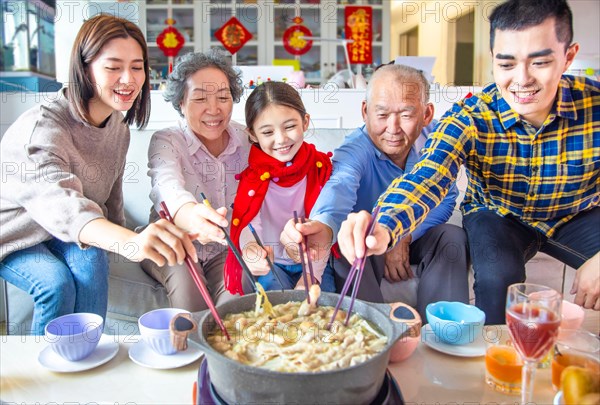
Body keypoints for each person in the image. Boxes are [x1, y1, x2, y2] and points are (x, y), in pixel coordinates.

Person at [337, 0, 599, 325]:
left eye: (540, 62)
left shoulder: (594, 105)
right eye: (506, 65)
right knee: (497, 278)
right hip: (498, 215)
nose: (522, 80)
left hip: (578, 215)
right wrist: (386, 224)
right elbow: (428, 176)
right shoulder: (471, 115)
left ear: (568, 57)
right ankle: (494, 365)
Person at [0, 14, 197, 335]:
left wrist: (124, 236)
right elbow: (66, 210)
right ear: (85, 68)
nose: (128, 79)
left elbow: (110, 196)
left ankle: (88, 353)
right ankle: (43, 375)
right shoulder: (43, 129)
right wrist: (132, 242)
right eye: (113, 67)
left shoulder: (117, 126)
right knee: (56, 283)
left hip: (71, 235)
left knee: (93, 263)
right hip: (18, 236)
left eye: (137, 67)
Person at [281, 64, 469, 319]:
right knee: (350, 243)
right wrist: (322, 226)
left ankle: (445, 332)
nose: (393, 128)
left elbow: (446, 201)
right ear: (365, 111)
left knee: (452, 237)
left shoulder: (438, 141)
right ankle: (374, 333)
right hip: (370, 243)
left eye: (406, 115)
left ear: (426, 114)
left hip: (418, 236)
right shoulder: (355, 149)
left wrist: (403, 236)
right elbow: (339, 186)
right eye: (382, 115)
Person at [142, 50, 251, 311]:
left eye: (223, 97)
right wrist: (193, 217)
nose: (214, 109)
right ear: (181, 102)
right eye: (200, 98)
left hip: (225, 246)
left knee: (235, 308)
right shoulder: (166, 140)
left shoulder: (248, 139)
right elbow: (166, 186)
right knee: (192, 302)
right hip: (173, 241)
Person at [225, 81, 335, 294]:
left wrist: (309, 277)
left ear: (305, 122)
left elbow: (328, 225)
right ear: (253, 135)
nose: (281, 139)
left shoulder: (322, 168)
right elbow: (249, 225)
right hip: (274, 265)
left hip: (315, 263)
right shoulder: (252, 179)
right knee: (275, 311)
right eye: (267, 132)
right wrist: (250, 250)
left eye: (290, 126)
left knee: (324, 310)